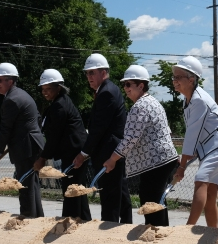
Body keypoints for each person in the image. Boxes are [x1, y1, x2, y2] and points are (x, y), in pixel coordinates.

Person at [103, 65, 179, 227]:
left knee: (150, 202)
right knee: (157, 201)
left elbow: (130, 138)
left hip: (155, 163)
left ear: (141, 85)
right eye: (124, 85)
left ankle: (155, 234)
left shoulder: (140, 107)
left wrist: (112, 159)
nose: (126, 88)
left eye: (129, 84)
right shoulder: (153, 102)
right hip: (163, 160)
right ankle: (160, 232)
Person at [171, 56, 218, 227]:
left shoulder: (199, 100)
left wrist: (182, 166)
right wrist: (185, 161)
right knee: (210, 193)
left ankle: (188, 228)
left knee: (201, 179)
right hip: (213, 144)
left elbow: (191, 134)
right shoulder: (189, 100)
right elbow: (195, 134)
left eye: (178, 77)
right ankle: (213, 232)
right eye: (174, 77)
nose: (174, 80)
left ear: (191, 79)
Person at [73, 54, 131, 224]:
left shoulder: (106, 93)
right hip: (114, 150)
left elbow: (98, 129)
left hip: (108, 152)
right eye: (87, 73)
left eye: (92, 73)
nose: (88, 77)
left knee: (110, 196)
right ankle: (126, 224)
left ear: (104, 72)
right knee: (120, 192)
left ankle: (109, 228)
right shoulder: (109, 89)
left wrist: (83, 153)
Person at [33, 69, 91, 221]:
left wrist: (42, 158)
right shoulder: (62, 101)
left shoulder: (59, 106)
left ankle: (69, 220)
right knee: (77, 188)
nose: (45, 93)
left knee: (71, 189)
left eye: (49, 89)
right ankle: (83, 219)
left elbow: (54, 136)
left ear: (58, 87)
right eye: (43, 90)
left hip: (74, 153)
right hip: (75, 151)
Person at [0, 63, 45, 218]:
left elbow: (5, 130)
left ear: (11, 81)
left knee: (24, 185)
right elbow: (38, 119)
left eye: (0, 80)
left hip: (25, 147)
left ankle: (27, 218)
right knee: (31, 184)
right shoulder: (22, 95)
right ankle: (37, 217)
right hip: (32, 144)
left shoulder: (12, 100)